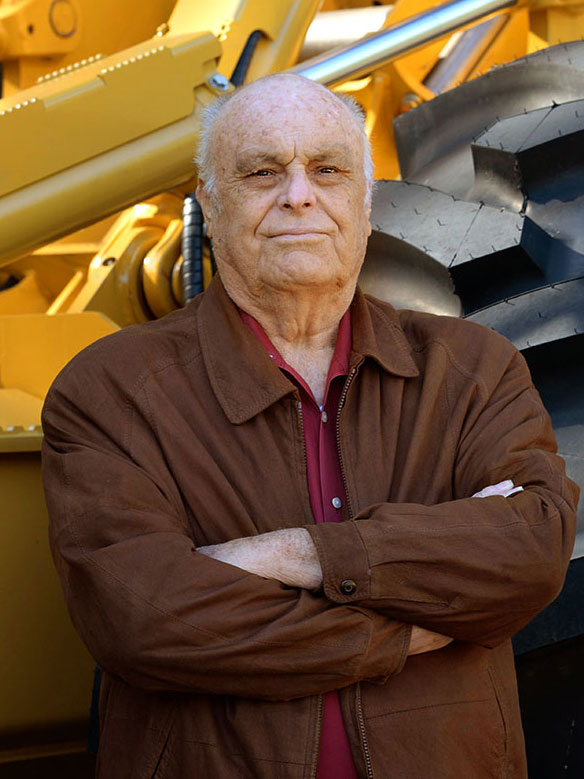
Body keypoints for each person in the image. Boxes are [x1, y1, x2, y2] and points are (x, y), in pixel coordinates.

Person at [42, 73, 578, 779]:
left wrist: (301, 555)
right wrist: (415, 624)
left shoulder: (474, 367)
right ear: (211, 202)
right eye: (263, 171)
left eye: (328, 170)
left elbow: (532, 546)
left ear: (362, 201)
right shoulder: (111, 390)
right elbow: (142, 618)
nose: (299, 194)